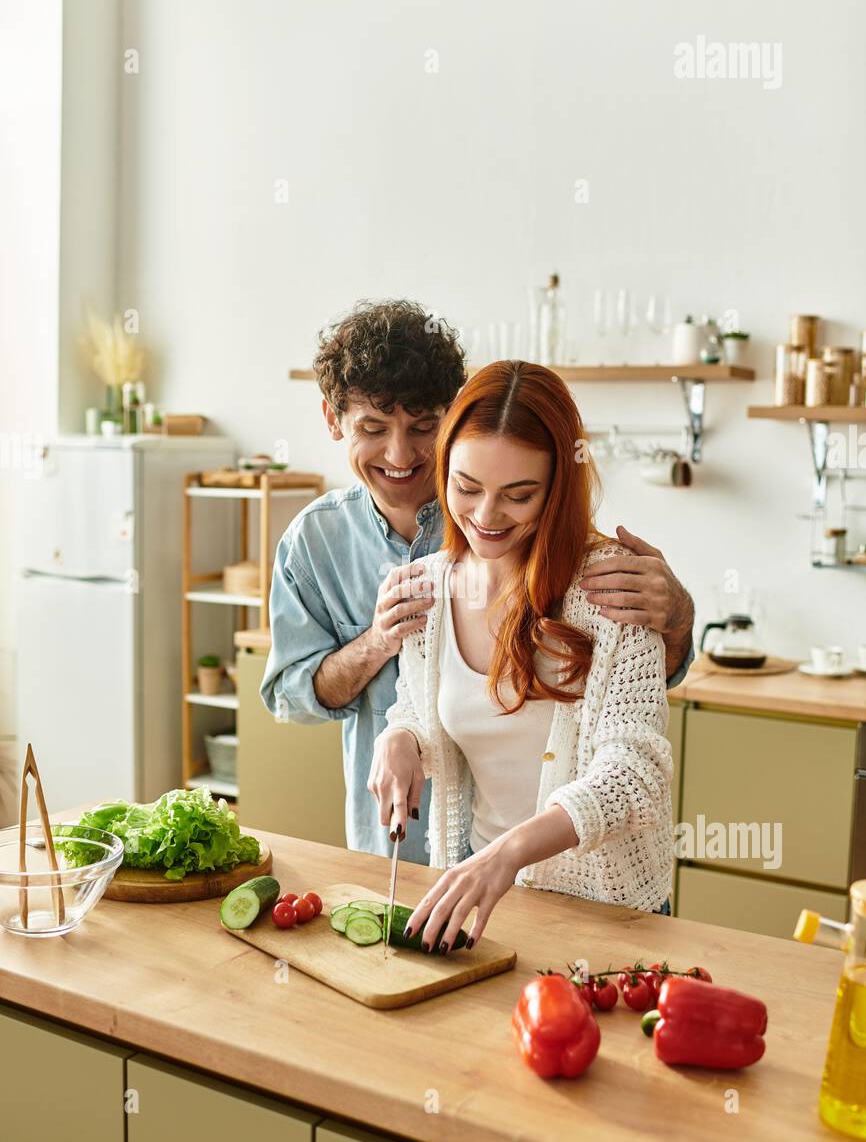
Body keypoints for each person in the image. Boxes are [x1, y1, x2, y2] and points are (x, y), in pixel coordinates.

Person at [261, 300, 694, 864]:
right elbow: (294, 696)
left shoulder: (533, 542)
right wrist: (378, 647)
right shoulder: (317, 542)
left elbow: (634, 726)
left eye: (422, 428)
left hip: (566, 877)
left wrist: (678, 616)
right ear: (333, 419)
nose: (399, 454)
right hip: (403, 854)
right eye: (372, 428)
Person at [367, 361, 673, 950]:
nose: (485, 517)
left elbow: (635, 775)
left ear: (558, 487)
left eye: (519, 495)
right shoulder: (425, 589)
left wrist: (507, 856)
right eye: (467, 487)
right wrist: (399, 738)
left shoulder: (612, 591)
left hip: (608, 914)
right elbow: (418, 708)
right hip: (484, 902)